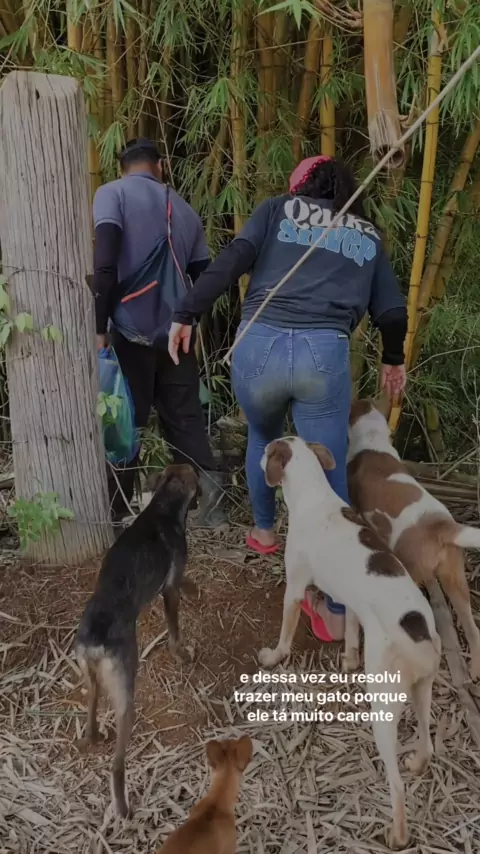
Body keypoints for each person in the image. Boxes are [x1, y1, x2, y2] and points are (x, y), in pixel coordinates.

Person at [168, 155, 407, 641]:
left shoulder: (277, 209)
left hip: (259, 346)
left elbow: (231, 261)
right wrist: (392, 358)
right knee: (329, 472)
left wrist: (187, 312)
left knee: (263, 435)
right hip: (324, 354)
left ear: (300, 186)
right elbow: (392, 311)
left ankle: (264, 532)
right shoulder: (366, 233)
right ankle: (337, 611)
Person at [92, 137, 227, 530]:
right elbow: (205, 278)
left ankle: (117, 513)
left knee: (124, 420)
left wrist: (99, 328)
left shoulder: (111, 194)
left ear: (121, 167)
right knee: (185, 419)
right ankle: (204, 510)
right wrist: (190, 322)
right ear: (161, 166)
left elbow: (105, 266)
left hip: (127, 331)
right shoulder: (185, 210)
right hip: (177, 336)